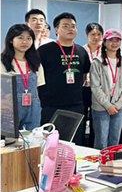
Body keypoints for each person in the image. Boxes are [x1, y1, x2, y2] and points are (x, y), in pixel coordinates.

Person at [38, 13, 91, 145]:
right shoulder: (44, 50)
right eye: (65, 26)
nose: (70, 29)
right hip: (51, 105)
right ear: (56, 29)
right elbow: (37, 77)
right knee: (50, 144)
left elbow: (84, 75)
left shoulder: (81, 51)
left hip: (76, 105)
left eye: (73, 26)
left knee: (75, 143)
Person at [90, 29, 122, 149]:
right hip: (101, 107)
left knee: (114, 141)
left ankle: (111, 161)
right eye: (111, 40)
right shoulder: (97, 62)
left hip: (119, 108)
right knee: (101, 141)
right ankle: (100, 161)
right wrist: (108, 105)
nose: (114, 43)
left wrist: (117, 105)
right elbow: (95, 87)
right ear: (104, 42)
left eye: (117, 40)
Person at [1, 24, 45, 130]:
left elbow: (37, 88)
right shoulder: (2, 62)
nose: (25, 42)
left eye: (29, 38)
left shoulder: (35, 62)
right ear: (10, 40)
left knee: (31, 137)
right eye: (20, 38)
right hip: (8, 108)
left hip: (32, 108)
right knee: (9, 138)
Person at [83, 23, 104, 147]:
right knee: (83, 117)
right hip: (85, 88)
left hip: (100, 89)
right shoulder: (82, 50)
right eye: (93, 34)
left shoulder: (105, 51)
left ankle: (93, 146)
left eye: (99, 34)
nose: (96, 37)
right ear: (87, 35)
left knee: (96, 120)